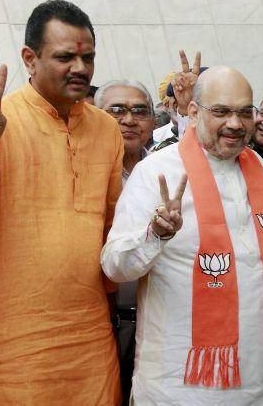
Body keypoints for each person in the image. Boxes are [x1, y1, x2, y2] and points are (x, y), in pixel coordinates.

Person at [0, 0, 122, 404]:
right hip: (6, 353)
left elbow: (113, 234)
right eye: (65, 57)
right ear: (30, 58)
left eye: (87, 57)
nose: (80, 68)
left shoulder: (106, 130)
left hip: (89, 349)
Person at [101, 65, 263, 405]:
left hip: (258, 374)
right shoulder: (157, 172)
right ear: (192, 112)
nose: (235, 124)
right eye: (221, 111)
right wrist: (155, 235)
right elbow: (115, 267)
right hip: (178, 380)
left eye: (243, 112)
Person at [94, 79, 155, 405]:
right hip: (99, 318)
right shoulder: (82, 169)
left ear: (154, 122)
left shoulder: (166, 169)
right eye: (116, 110)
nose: (128, 119)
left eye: (139, 111)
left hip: (156, 319)